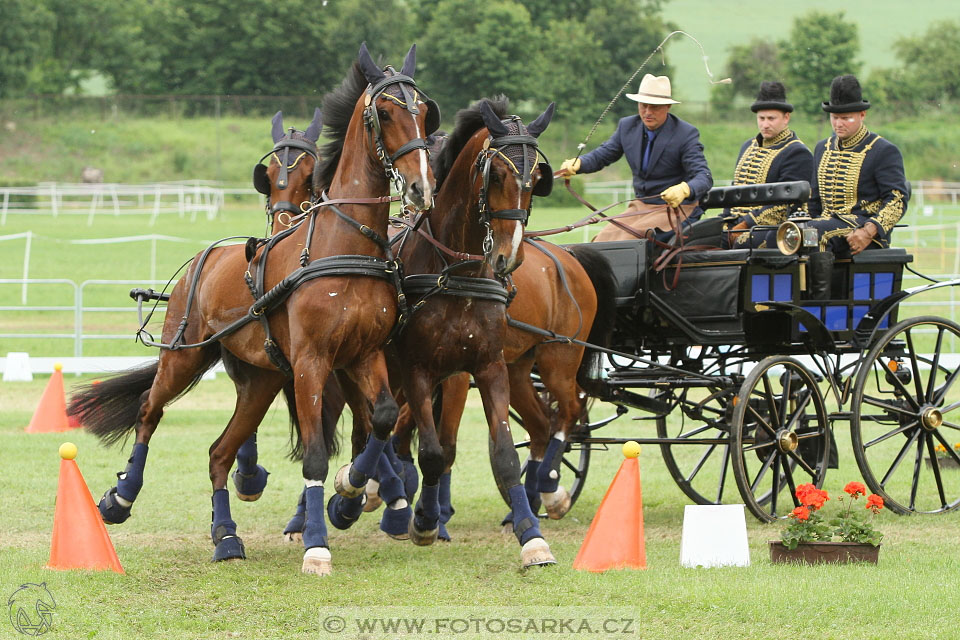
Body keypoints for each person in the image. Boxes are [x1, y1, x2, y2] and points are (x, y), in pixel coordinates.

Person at [558, 74, 713, 241]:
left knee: (630, 240)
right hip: (640, 206)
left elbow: (704, 177)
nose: (647, 112)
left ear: (668, 106)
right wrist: (579, 163)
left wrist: (685, 189)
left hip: (677, 208)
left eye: (654, 107)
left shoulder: (685, 133)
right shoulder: (627, 126)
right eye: (643, 106)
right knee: (601, 240)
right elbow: (603, 154)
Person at [801, 74, 909, 298]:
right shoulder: (822, 147)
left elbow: (897, 199)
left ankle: (817, 311)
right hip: (825, 224)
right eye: (835, 118)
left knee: (816, 233)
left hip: (862, 228)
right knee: (789, 233)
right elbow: (814, 199)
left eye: (846, 118)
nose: (838, 124)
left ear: (862, 115)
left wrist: (869, 231)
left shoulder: (882, 150)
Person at [723, 81, 813, 247]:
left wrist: (745, 224)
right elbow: (734, 190)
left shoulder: (797, 152)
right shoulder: (747, 146)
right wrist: (725, 221)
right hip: (737, 222)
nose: (765, 124)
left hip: (773, 227)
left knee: (742, 242)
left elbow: (783, 206)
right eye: (761, 118)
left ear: (786, 118)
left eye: (771, 118)